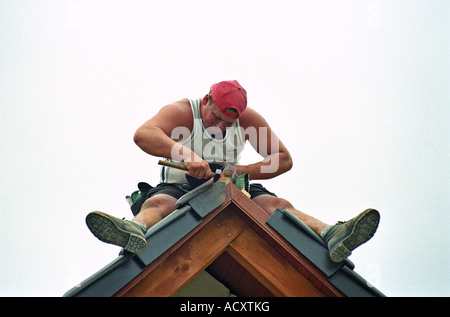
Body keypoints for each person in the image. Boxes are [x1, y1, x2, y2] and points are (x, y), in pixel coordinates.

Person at [86, 80, 380, 263]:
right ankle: (134, 230)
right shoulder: (183, 112)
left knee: (277, 206)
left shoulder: (247, 120)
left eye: (229, 124)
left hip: (233, 188)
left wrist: (239, 170)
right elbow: (143, 134)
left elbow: (283, 159)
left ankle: (333, 234)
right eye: (216, 118)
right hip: (181, 187)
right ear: (206, 101)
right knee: (158, 204)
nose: (222, 127)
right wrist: (188, 156)